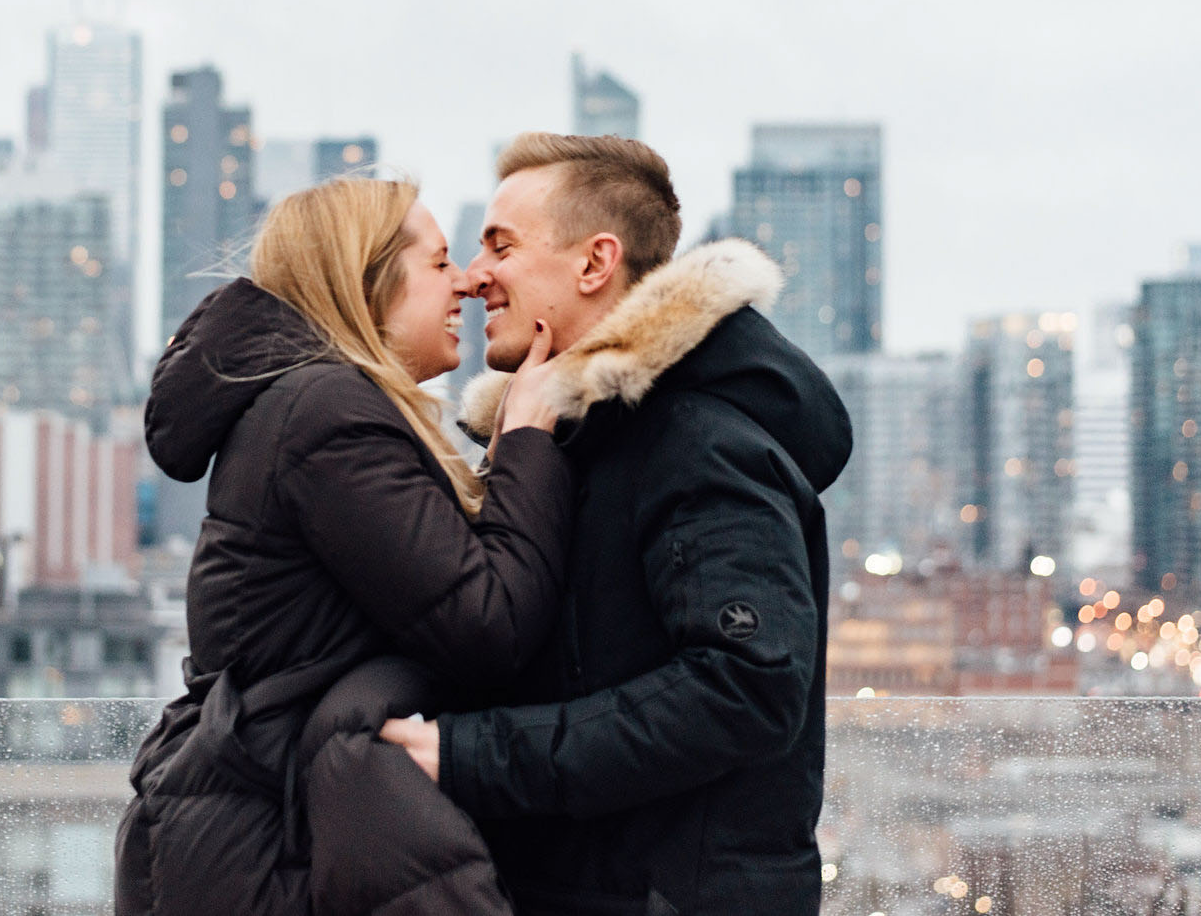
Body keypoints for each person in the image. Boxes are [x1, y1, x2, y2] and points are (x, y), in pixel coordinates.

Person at [379, 133, 853, 916]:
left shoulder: (698, 440)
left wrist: (471, 757)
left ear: (596, 263)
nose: (474, 276)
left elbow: (747, 685)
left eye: (501, 245)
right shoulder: (578, 440)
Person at [116, 177, 571, 916]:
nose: (464, 282)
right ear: (368, 283)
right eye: (438, 262)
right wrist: (526, 441)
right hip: (277, 849)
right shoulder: (327, 415)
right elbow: (488, 621)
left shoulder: (310, 405)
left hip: (266, 829)